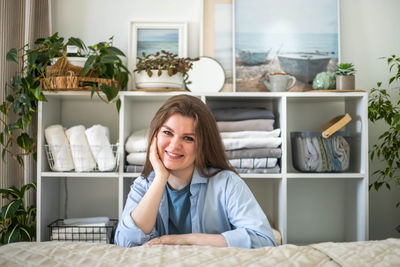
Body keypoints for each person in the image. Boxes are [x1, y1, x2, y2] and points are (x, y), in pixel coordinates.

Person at [115, 95, 276, 248]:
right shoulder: (143, 185)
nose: (174, 145)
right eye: (167, 132)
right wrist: (160, 178)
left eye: (188, 138)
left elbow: (264, 240)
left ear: (202, 145)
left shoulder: (227, 183)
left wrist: (187, 240)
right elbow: (125, 243)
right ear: (155, 135)